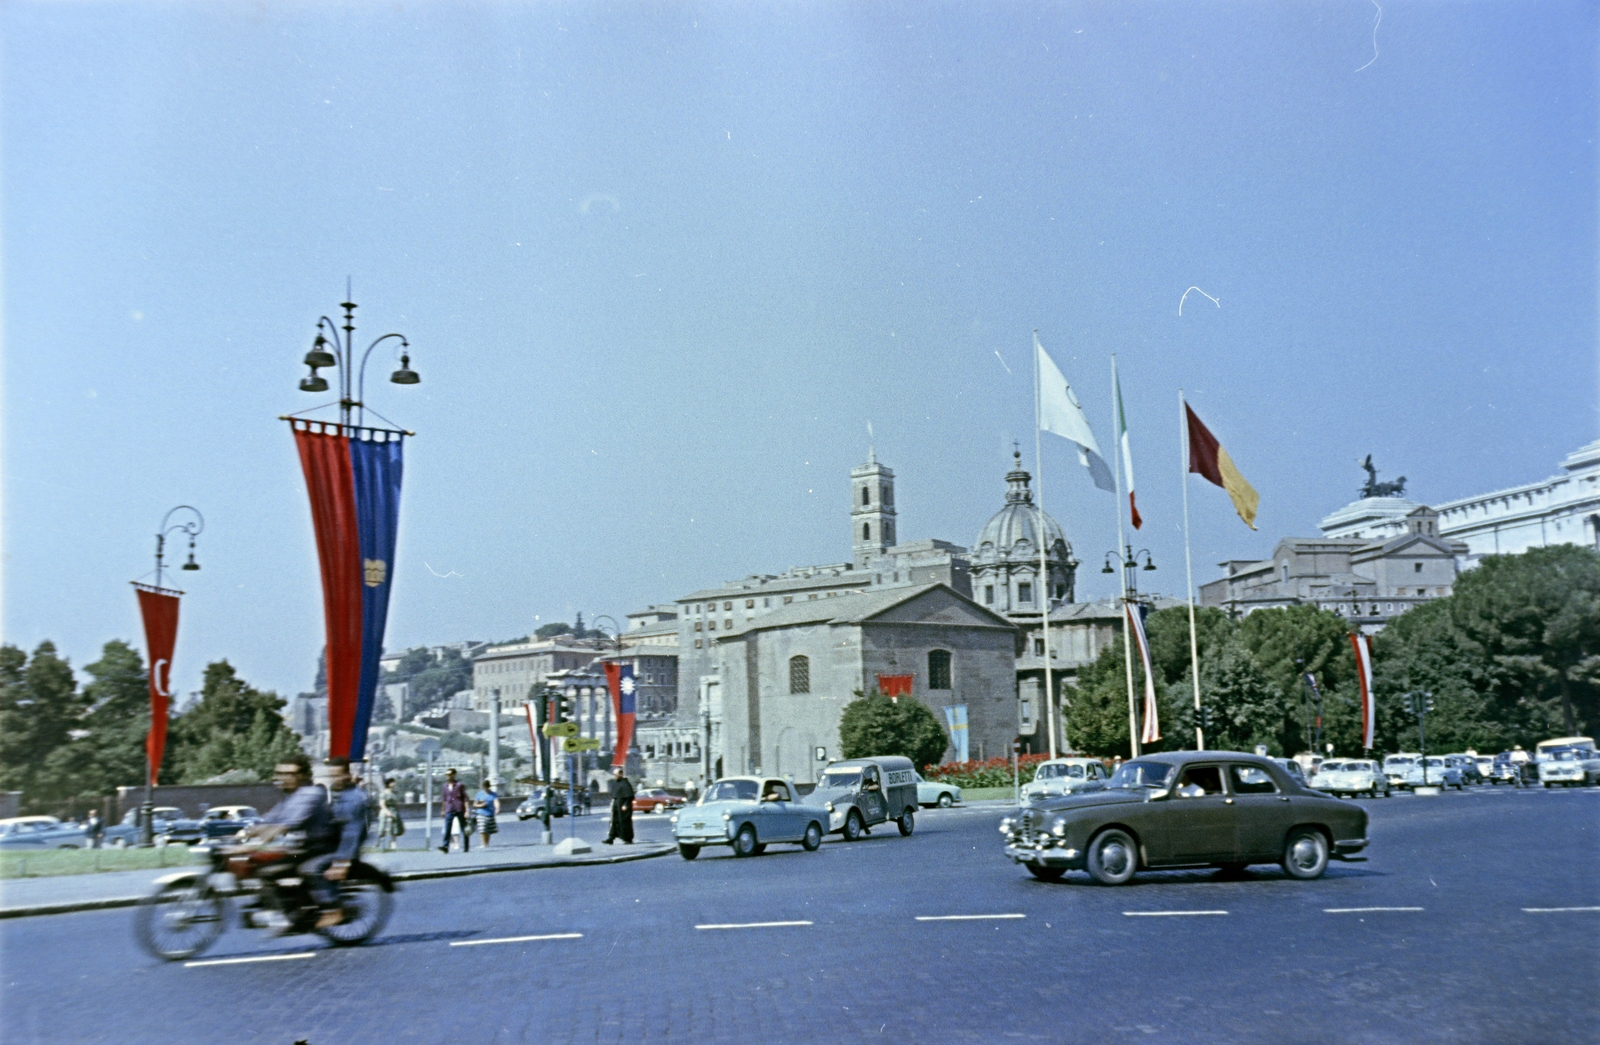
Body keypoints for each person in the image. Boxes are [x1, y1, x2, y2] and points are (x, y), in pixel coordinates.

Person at [243, 753, 336, 933]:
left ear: (302, 775)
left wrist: (256, 842)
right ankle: (288, 906)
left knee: (268, 871)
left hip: (319, 848)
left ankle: (284, 918)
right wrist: (242, 833)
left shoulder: (312, 793)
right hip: (301, 848)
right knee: (263, 861)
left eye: (290, 774)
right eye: (280, 774)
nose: (283, 778)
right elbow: (270, 819)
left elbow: (289, 823)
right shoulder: (291, 797)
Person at [310, 757, 369, 928]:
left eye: (337, 775)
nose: (334, 779)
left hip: (345, 852)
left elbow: (352, 832)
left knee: (317, 868)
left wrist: (342, 862)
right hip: (332, 846)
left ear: (347, 775)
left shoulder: (354, 798)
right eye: (331, 776)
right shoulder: (340, 795)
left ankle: (334, 910)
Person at [439, 768, 470, 853]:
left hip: (459, 808)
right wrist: (443, 810)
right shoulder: (444, 786)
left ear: (454, 775)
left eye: (449, 774)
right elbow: (444, 799)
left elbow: (465, 798)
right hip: (449, 809)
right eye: (447, 774)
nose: (448, 776)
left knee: (463, 828)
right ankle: (445, 846)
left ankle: (466, 846)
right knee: (447, 828)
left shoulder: (459, 785)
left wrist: (467, 810)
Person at [603, 766, 635, 845]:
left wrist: (625, 805)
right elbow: (615, 795)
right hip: (616, 804)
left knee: (624, 822)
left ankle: (627, 838)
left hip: (623, 806)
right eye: (614, 775)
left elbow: (629, 796)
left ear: (620, 774)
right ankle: (611, 838)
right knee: (614, 821)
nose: (615, 776)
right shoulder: (616, 783)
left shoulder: (625, 783)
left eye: (616, 774)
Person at [376, 777, 403, 851]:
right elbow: (382, 804)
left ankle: (393, 844)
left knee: (394, 829)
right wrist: (387, 811)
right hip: (385, 811)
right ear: (388, 784)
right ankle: (381, 844)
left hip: (394, 811)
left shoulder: (394, 793)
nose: (394, 784)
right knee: (383, 828)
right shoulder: (384, 793)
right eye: (392, 782)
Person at [473, 780, 499, 848]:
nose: (486, 788)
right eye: (485, 787)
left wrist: (497, 808)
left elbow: (496, 802)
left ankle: (486, 844)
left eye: (487, 787)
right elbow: (475, 804)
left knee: (488, 829)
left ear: (489, 787)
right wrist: (481, 806)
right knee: (482, 828)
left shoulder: (493, 794)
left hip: (490, 813)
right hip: (481, 813)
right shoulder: (479, 794)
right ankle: (483, 844)